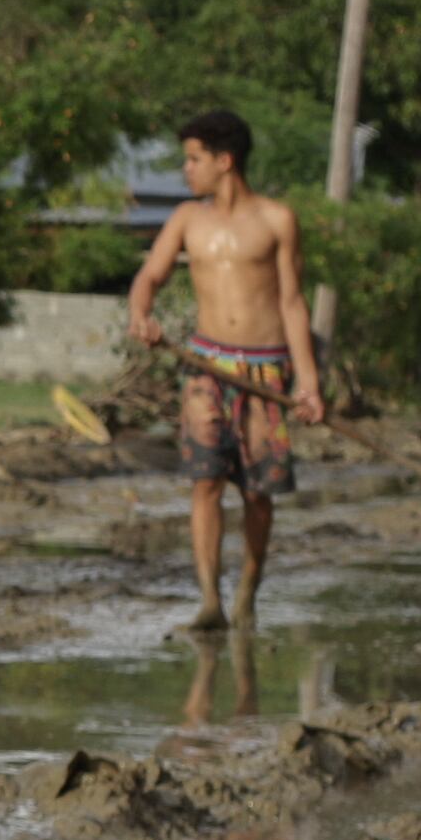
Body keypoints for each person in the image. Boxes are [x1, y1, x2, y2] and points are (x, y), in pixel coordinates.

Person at [122, 105, 325, 632]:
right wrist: (140, 315)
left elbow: (292, 304)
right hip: (206, 370)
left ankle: (247, 596)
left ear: (225, 160)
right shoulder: (188, 220)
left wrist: (309, 384)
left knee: (258, 494)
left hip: (264, 373)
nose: (186, 170)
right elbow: (150, 277)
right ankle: (210, 600)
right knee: (204, 484)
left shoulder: (277, 220)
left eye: (193, 159)